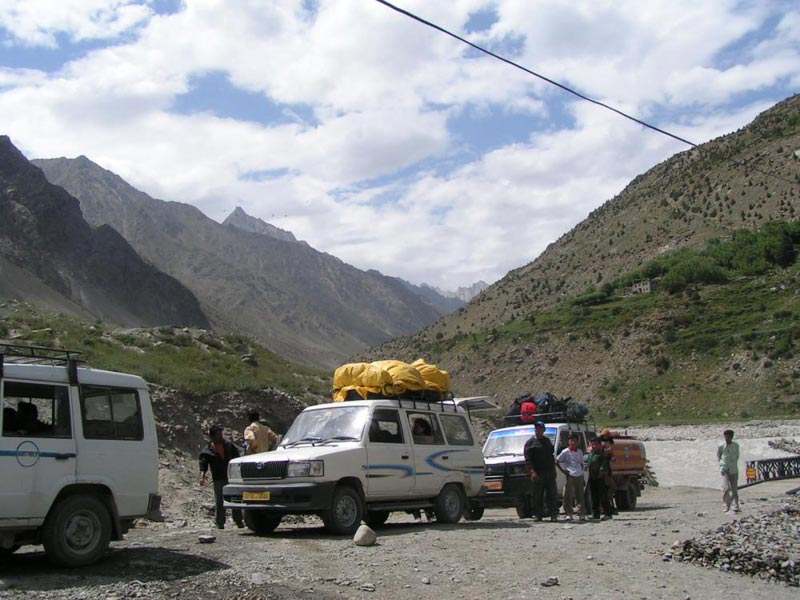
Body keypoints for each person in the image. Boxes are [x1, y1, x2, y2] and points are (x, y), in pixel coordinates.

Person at [199, 425, 244, 529]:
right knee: (220, 501)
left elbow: (237, 458)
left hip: (231, 477)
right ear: (212, 437)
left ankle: (238, 521)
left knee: (235, 499)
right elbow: (203, 464)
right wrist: (202, 476)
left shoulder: (228, 445)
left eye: (221, 434)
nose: (220, 436)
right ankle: (219, 523)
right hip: (218, 478)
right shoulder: (208, 450)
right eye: (218, 435)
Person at [523, 421, 558, 522]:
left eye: (540, 429)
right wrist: (532, 471)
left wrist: (553, 470)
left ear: (543, 430)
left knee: (552, 494)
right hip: (538, 472)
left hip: (549, 471)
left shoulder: (547, 441)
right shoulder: (530, 443)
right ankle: (538, 515)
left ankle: (553, 514)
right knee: (537, 495)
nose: (538, 431)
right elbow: (528, 459)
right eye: (536, 429)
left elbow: (551, 457)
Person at [556, 433, 586, 521]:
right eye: (571, 441)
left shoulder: (580, 452)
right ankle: (569, 513)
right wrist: (563, 471)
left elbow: (581, 463)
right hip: (570, 475)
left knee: (580, 495)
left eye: (575, 441)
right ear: (569, 442)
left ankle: (581, 513)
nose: (573, 443)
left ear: (578, 442)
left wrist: (583, 475)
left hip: (579, 475)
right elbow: (557, 461)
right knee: (568, 495)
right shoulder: (565, 452)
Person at [587, 437, 613, 520]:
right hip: (592, 477)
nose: (594, 446)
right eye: (592, 444)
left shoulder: (603, 454)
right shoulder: (591, 454)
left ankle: (608, 513)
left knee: (603, 496)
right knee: (594, 497)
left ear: (599, 445)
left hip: (601, 478)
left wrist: (601, 472)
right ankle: (595, 514)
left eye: (595, 444)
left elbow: (604, 465)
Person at [717, 429, 740, 513]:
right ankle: (726, 505)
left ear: (731, 437)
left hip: (734, 469)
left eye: (728, 436)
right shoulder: (721, 445)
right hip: (724, 469)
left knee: (734, 489)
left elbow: (737, 456)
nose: (726, 438)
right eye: (725, 436)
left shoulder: (736, 446)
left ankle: (736, 505)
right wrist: (721, 465)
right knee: (726, 488)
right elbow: (718, 456)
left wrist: (732, 463)